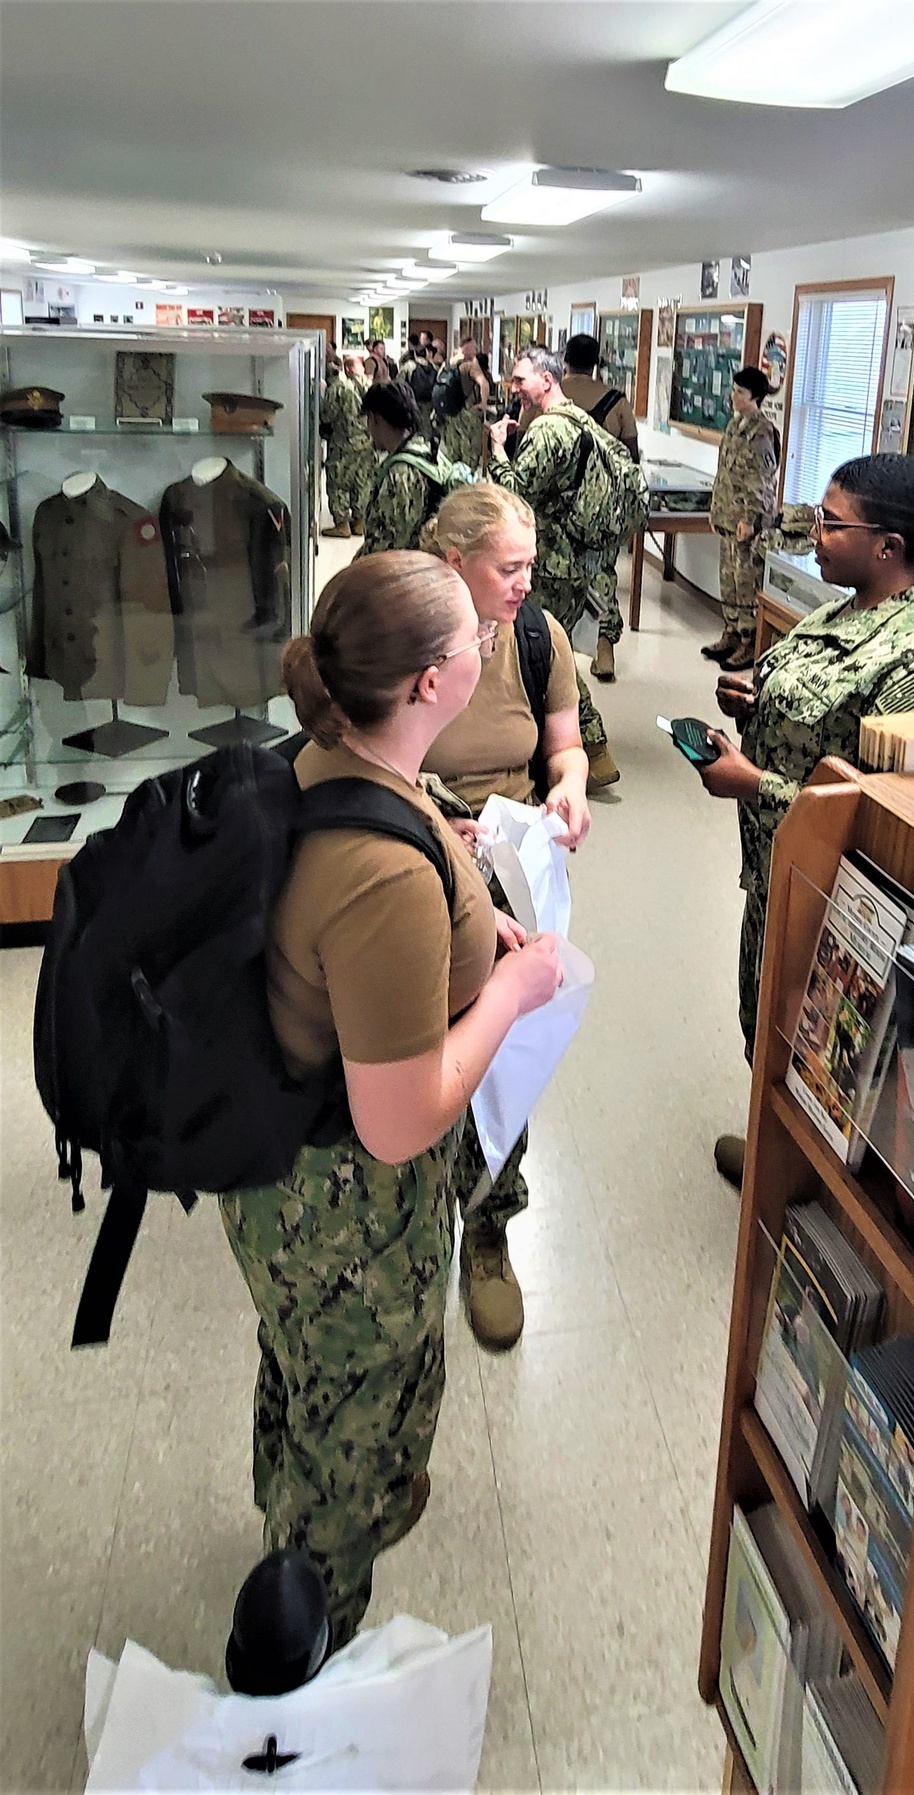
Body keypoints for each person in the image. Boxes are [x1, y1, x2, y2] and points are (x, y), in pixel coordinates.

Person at [219, 552, 562, 1649]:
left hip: (283, 1182)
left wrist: (463, 900)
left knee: (305, 1363)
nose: (490, 643)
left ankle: (294, 1509)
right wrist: (510, 989)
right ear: (428, 682)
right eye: (472, 636)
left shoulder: (343, 758)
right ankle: (307, 1625)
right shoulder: (379, 874)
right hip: (348, 1217)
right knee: (355, 1414)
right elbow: (401, 1116)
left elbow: (388, 891)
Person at [696, 454, 914, 1188]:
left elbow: (885, 823)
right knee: (765, 1022)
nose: (813, 532)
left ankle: (795, 1180)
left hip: (837, 903)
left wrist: (754, 784)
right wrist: (753, 699)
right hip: (779, 871)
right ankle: (768, 1141)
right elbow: (807, 702)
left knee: (819, 1047)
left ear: (888, 546)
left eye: (831, 522)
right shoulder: (841, 608)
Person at [421, 484, 590, 1347]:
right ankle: (411, 1218)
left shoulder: (538, 637)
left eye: (532, 564)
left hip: (517, 871)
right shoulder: (407, 630)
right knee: (425, 1048)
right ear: (455, 565)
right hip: (420, 869)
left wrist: (569, 785)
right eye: (510, 567)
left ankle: (488, 1228)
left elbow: (564, 743)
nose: (529, 581)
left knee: (505, 1053)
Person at [487, 347, 620, 791]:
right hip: (573, 557)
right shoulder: (579, 420)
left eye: (521, 379)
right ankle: (581, 747)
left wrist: (498, 450)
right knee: (554, 650)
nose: (514, 388)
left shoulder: (547, 430)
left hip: (551, 561)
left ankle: (591, 750)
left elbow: (516, 494)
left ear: (547, 379)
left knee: (551, 653)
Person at [561, 332, 641, 685]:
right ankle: (604, 647)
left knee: (556, 575)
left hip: (559, 506)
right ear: (596, 362)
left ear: (564, 359)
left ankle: (557, 653)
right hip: (602, 508)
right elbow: (631, 457)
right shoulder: (617, 401)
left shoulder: (549, 395)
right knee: (602, 574)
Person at [705, 365, 780, 671]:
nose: (733, 396)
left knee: (746, 581)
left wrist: (749, 519)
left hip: (747, 523)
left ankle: (749, 640)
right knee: (729, 580)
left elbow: (760, 481)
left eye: (740, 392)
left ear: (756, 397)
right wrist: (717, 511)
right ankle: (732, 632)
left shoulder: (761, 432)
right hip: (727, 516)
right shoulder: (735, 425)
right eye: (733, 390)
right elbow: (725, 473)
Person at [356, 381, 440, 555]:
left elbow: (392, 544)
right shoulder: (422, 449)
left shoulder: (401, 474)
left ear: (376, 418)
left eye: (368, 420)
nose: (367, 429)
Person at [319, 352, 375, 539]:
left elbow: (327, 415)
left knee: (339, 482)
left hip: (344, 443)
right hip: (367, 442)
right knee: (362, 482)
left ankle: (342, 524)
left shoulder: (339, 387)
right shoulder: (369, 386)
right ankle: (359, 522)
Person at [439, 336, 490, 469]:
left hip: (450, 413)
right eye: (474, 347)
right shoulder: (470, 365)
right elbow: (484, 384)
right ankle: (467, 484)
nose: (476, 350)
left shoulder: (448, 363)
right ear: (466, 348)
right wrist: (483, 404)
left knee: (452, 452)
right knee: (470, 453)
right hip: (467, 413)